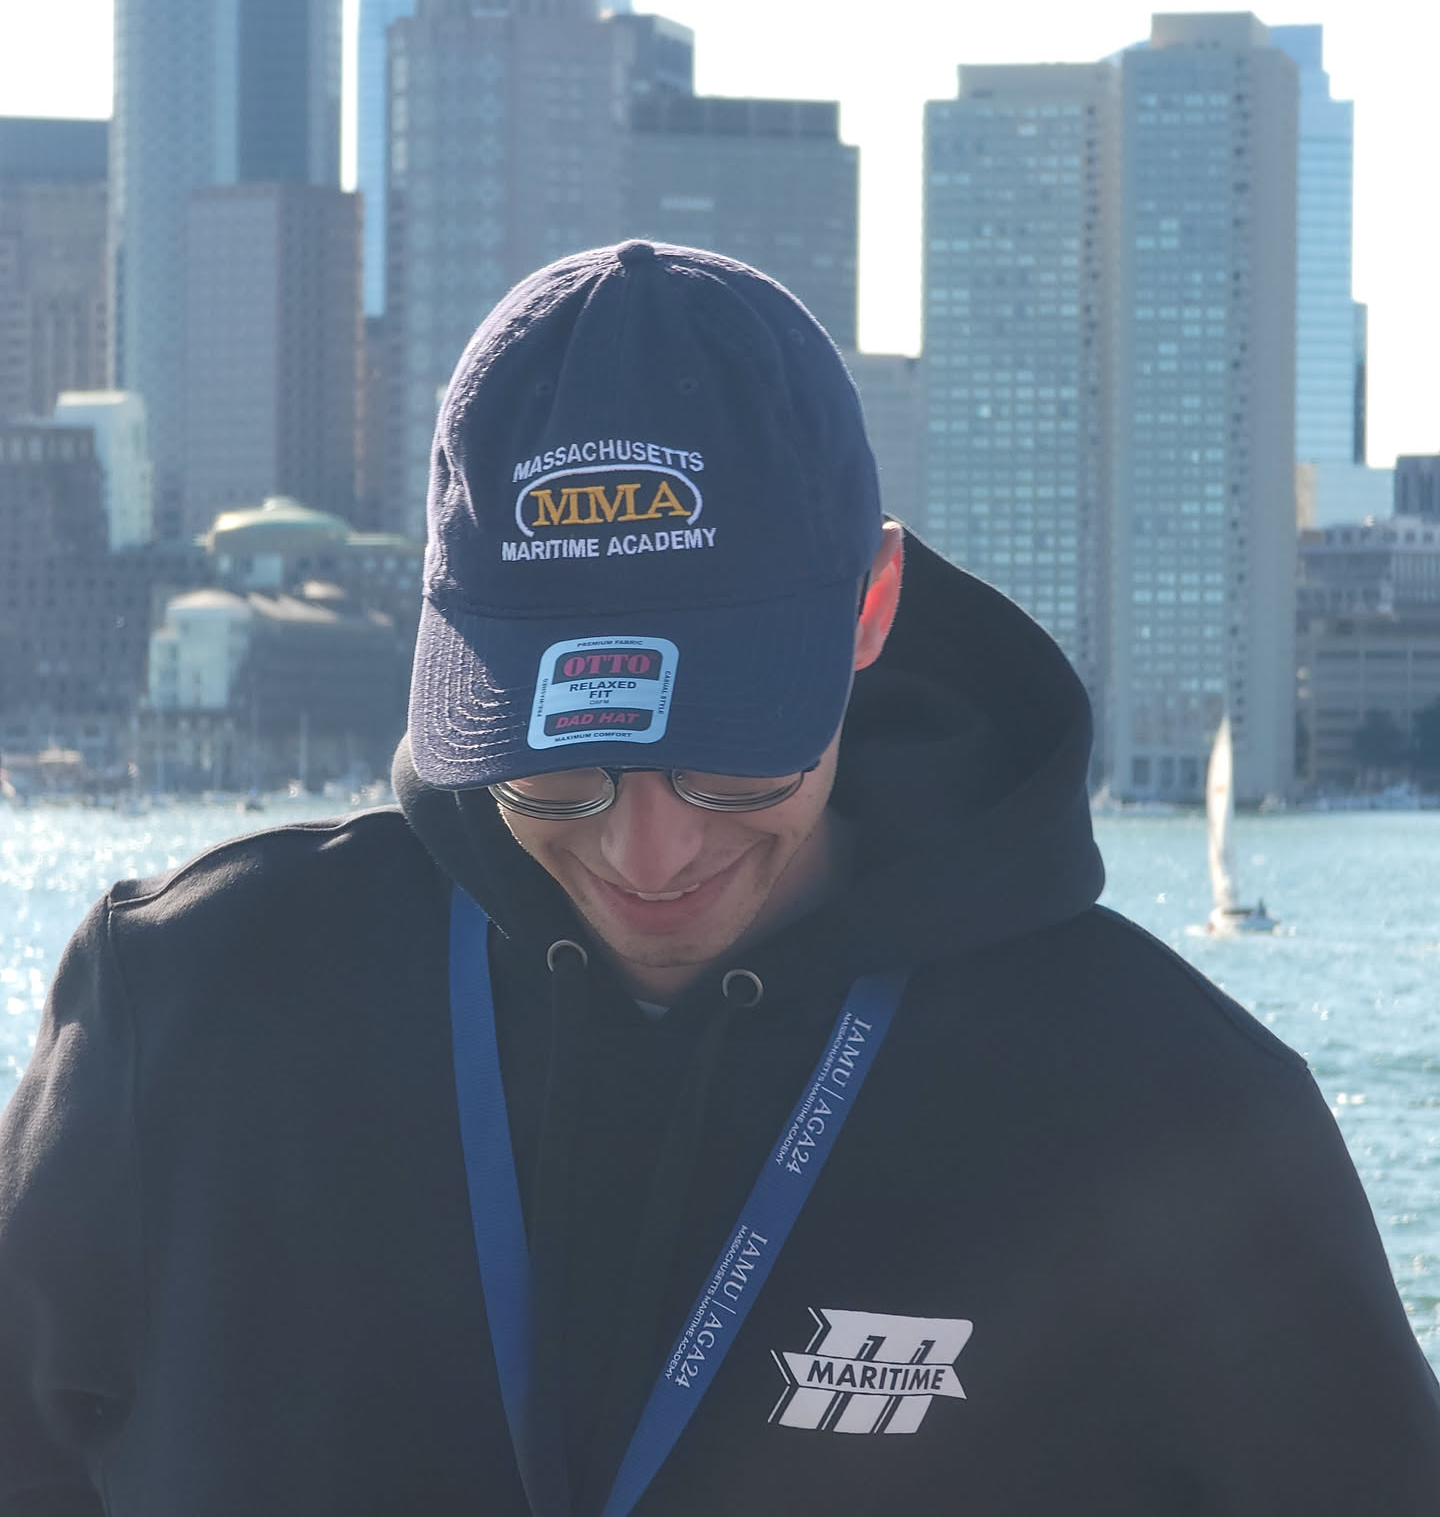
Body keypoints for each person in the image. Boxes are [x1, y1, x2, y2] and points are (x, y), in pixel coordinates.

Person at [2, 239, 1438, 1517]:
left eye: (733, 763)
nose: (651, 852)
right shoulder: (181, 1014)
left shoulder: (1168, 1111)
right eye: (557, 774)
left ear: (872, 607)